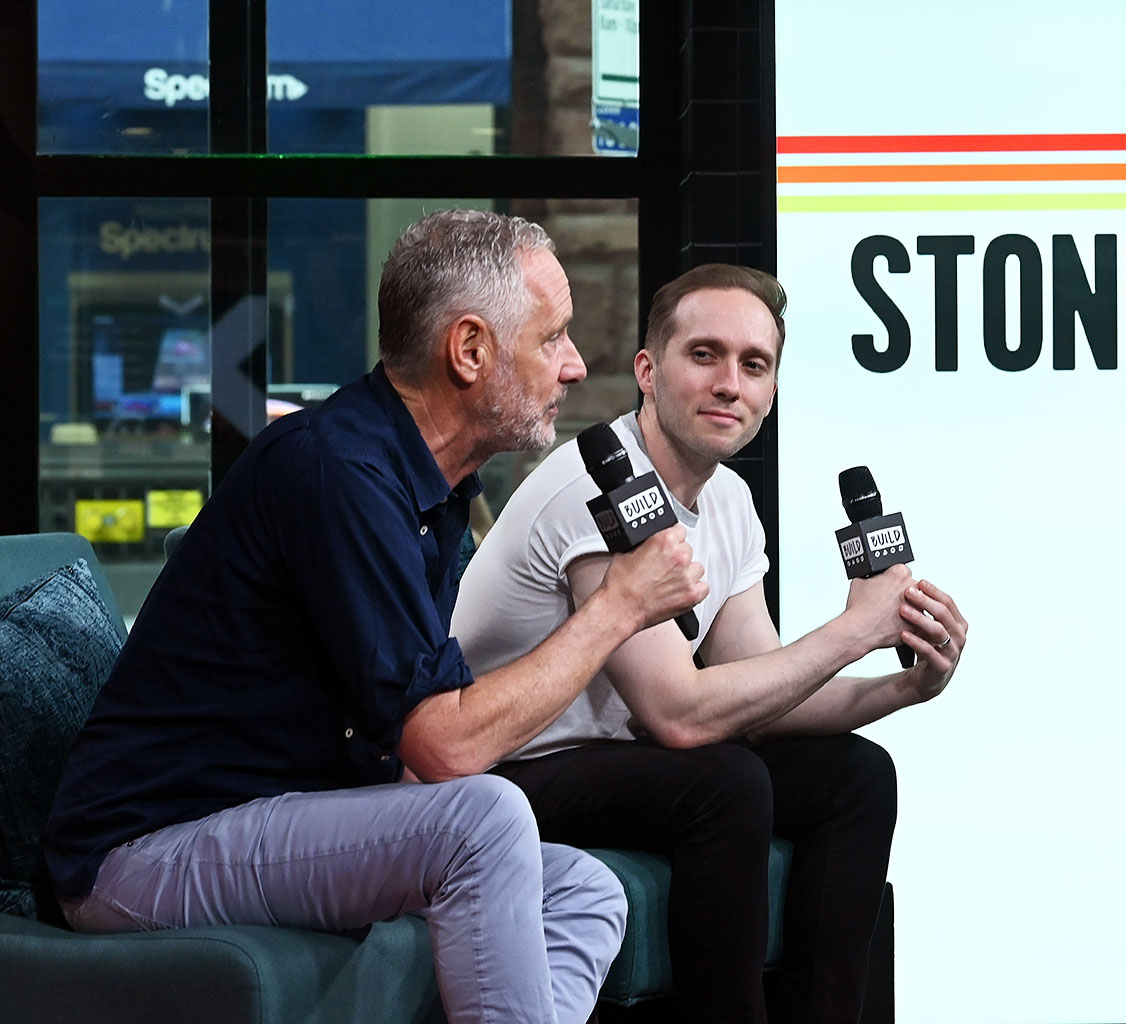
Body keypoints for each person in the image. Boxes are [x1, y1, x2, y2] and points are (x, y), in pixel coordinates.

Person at [42, 210, 708, 1024]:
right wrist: (621, 605)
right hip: (145, 850)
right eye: (552, 338)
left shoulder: (434, 486)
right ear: (469, 351)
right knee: (484, 817)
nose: (574, 365)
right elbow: (446, 745)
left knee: (584, 891)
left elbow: (410, 747)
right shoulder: (339, 472)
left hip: (274, 817)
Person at [451, 263, 968, 1023]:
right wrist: (855, 629)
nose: (730, 382)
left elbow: (757, 691)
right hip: (507, 773)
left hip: (611, 763)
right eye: (705, 355)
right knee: (725, 781)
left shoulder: (728, 499)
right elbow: (680, 716)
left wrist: (899, 688)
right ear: (648, 372)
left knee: (856, 777)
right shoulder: (598, 489)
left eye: (753, 365)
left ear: (772, 392)